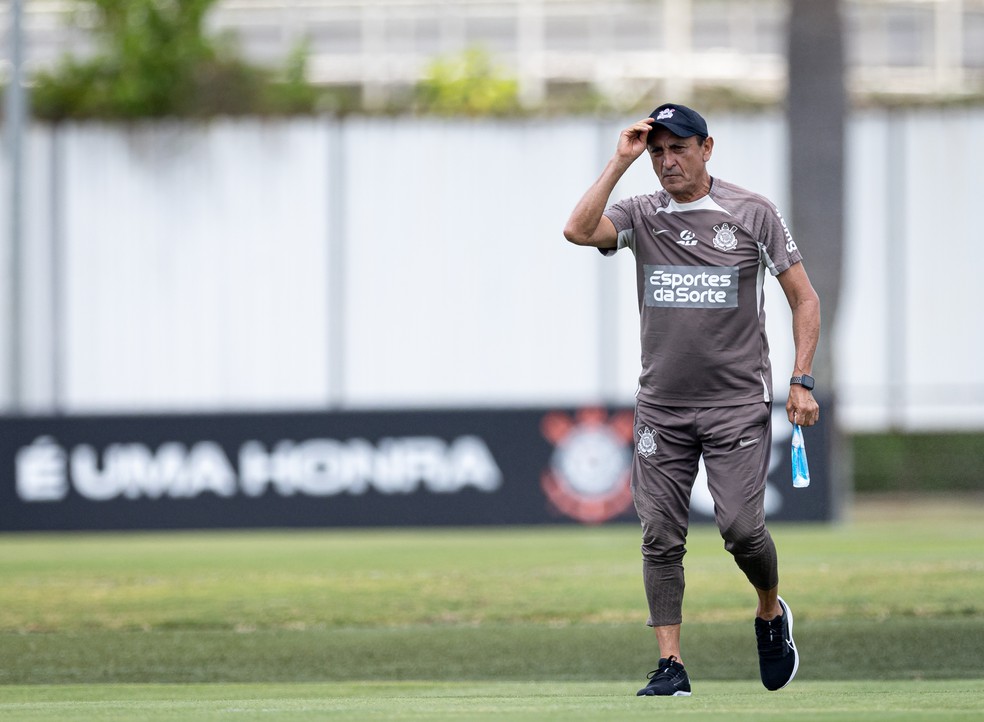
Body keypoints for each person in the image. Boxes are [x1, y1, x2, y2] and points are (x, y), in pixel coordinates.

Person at [562, 103, 820, 696]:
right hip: (662, 407)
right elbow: (577, 230)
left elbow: (803, 299)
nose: (667, 161)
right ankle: (671, 665)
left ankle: (770, 613)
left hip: (736, 405)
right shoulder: (640, 213)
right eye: (657, 151)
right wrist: (620, 161)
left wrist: (801, 378)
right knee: (660, 533)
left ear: (708, 148)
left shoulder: (751, 212)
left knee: (741, 529)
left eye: (678, 148)